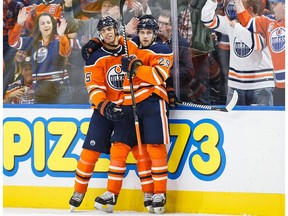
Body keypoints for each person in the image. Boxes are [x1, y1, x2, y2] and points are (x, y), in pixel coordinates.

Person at [69, 16, 153, 213]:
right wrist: (104, 105)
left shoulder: (130, 47)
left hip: (126, 110)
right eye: (103, 30)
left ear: (116, 30)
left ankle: (122, 194)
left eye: (110, 28)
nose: (108, 32)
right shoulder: (95, 57)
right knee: (89, 154)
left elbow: (146, 54)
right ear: (100, 34)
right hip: (103, 111)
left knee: (124, 153)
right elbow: (94, 87)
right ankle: (78, 191)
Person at [94, 15, 173, 214]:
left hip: (153, 102)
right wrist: (93, 43)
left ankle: (159, 193)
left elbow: (158, 76)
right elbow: (110, 39)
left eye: (149, 33)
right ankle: (112, 193)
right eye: (142, 32)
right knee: (119, 146)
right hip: (129, 103)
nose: (145, 36)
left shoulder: (162, 49)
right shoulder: (130, 46)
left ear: (155, 34)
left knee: (154, 148)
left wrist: (136, 67)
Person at [201, 0, 275, 106]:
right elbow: (207, 20)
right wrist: (213, 1)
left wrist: (236, 27)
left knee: (262, 121)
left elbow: (257, 45)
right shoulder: (232, 22)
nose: (234, 9)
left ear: (249, 9)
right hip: (236, 85)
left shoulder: (263, 23)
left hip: (261, 85)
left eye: (238, 6)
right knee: (233, 121)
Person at [9, 9, 72, 104]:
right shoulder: (33, 42)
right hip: (40, 91)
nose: (46, 25)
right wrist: (19, 24)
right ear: (38, 27)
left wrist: (62, 35)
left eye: (48, 22)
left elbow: (66, 52)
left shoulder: (59, 40)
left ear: (52, 25)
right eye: (42, 23)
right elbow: (13, 43)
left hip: (59, 90)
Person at [233, 0, 285, 106]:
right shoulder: (269, 23)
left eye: (276, 4)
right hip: (279, 87)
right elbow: (246, 21)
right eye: (273, 3)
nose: (273, 7)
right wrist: (237, 1)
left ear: (285, 5)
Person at [178, 0, 215, 105]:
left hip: (199, 53)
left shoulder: (203, 5)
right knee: (186, 88)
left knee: (201, 89)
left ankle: (204, 111)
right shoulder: (179, 7)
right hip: (182, 54)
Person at [155, 9, 195, 104]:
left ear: (172, 26)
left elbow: (189, 70)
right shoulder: (153, 40)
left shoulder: (181, 43)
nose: (159, 26)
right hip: (156, 87)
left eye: (164, 23)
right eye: (159, 22)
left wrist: (166, 72)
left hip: (176, 87)